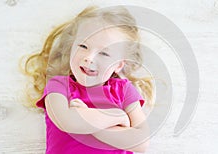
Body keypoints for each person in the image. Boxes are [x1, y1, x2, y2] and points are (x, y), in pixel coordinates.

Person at [20, 5, 154, 154]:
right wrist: (116, 117)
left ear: (118, 65)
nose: (89, 58)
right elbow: (68, 122)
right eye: (83, 46)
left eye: (103, 53)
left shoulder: (124, 90)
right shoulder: (58, 86)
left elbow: (141, 143)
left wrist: (87, 116)